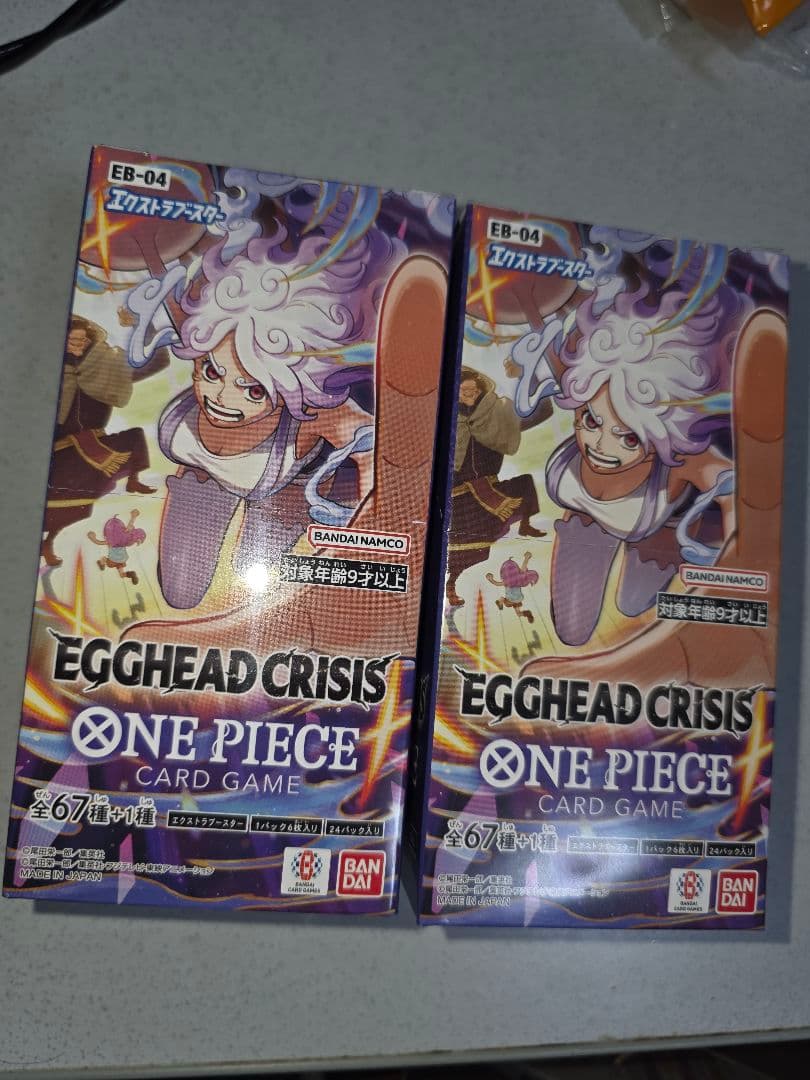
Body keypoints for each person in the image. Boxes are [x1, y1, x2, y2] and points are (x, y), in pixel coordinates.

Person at [539, 285, 738, 647]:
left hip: (657, 530)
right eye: (591, 421)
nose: (600, 447)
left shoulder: (683, 455)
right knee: (571, 631)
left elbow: (731, 484)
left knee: (633, 604)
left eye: (629, 438)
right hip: (585, 523)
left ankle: (663, 538)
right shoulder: (586, 381)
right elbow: (554, 325)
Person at [42, 314, 168, 567]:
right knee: (56, 503)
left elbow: (159, 360)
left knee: (133, 438)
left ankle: (133, 480)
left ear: (90, 341)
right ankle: (45, 542)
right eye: (71, 340)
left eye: (83, 340)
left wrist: (141, 323)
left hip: (92, 444)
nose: (77, 346)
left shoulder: (109, 366)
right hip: (56, 449)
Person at [446, 367, 545, 608]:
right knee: (463, 549)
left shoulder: (497, 415)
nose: (468, 396)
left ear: (480, 391)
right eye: (462, 391)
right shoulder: (448, 418)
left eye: (472, 391)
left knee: (524, 484)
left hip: (488, 487)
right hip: (458, 494)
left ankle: (526, 524)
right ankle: (450, 586)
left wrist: (531, 373)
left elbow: (540, 410)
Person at [88, 510, 146, 584]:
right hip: (122, 559)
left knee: (104, 558)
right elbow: (129, 527)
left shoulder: (110, 541)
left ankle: (101, 564)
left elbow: (98, 542)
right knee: (121, 575)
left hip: (113, 560)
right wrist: (133, 517)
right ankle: (130, 574)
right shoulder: (124, 540)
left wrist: (92, 538)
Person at [486, 552, 537, 623]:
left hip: (511, 599)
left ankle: (500, 603)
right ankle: (526, 613)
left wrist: (490, 579)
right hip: (517, 599)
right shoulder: (517, 580)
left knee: (503, 599)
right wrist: (526, 558)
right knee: (518, 614)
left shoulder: (507, 582)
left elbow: (496, 583)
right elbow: (523, 570)